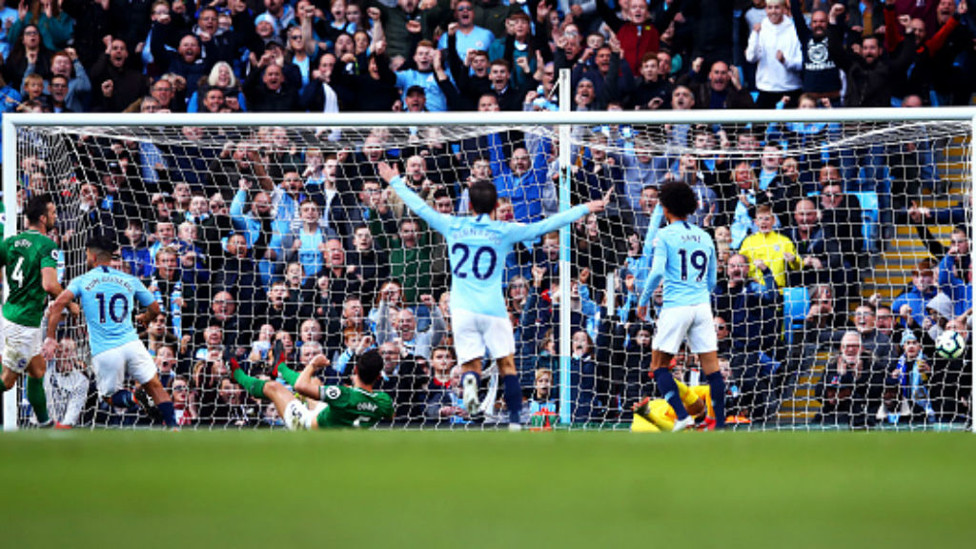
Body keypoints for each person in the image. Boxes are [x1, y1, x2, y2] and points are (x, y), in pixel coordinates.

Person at [378, 161, 610, 429]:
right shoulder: (504, 230)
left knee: (470, 366)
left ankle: (474, 413)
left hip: (462, 309)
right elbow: (544, 226)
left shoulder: (453, 225)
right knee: (507, 365)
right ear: (495, 207)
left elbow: (419, 208)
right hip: (493, 308)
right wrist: (585, 208)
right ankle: (514, 422)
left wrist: (395, 181)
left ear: (471, 205)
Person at [44, 233, 178, 429]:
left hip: (105, 350)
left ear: (93, 256)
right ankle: (174, 427)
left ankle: (133, 397)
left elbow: (57, 305)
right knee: (155, 385)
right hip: (132, 344)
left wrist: (50, 337)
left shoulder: (82, 280)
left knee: (108, 397)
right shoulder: (129, 279)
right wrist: (145, 318)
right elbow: (156, 309)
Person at [636, 181, 723, 431]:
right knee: (712, 368)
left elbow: (656, 273)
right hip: (702, 306)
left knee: (658, 366)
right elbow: (713, 281)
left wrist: (644, 300)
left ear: (664, 208)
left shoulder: (664, 235)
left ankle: (682, 417)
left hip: (675, 306)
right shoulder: (705, 236)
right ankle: (719, 426)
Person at [0, 194, 75, 427]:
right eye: (52, 213)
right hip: (23, 323)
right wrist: (70, 303)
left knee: (38, 370)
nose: (55, 217)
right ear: (42, 218)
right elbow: (50, 284)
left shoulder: (11, 242)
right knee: (7, 381)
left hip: (11, 313)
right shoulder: (46, 245)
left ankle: (45, 425)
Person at [228, 349, 392, 429]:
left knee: (274, 387)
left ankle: (238, 375)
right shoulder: (384, 401)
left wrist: (313, 364)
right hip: (335, 421)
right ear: (379, 377)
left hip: (308, 427)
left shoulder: (343, 395)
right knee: (315, 385)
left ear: (355, 370)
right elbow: (390, 414)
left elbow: (300, 386)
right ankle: (280, 368)